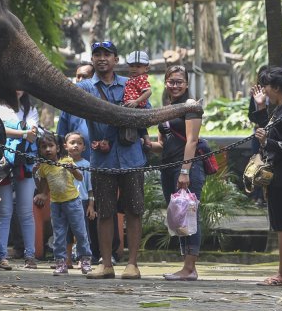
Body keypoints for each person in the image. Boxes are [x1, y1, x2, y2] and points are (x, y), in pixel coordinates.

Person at [80, 41, 146, 280]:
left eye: (107, 54)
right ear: (92, 60)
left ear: (116, 60)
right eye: (97, 54)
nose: (101, 58)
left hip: (131, 158)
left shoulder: (131, 85)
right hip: (102, 159)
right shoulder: (85, 88)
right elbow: (76, 111)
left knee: (134, 210)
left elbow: (145, 115)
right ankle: (106, 264)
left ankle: (132, 264)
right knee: (104, 211)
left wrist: (132, 109)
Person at [150, 65, 205, 281]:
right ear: (165, 82)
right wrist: (146, 144)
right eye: (171, 81)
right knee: (178, 216)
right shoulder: (167, 108)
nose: (175, 85)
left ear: (187, 84)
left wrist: (185, 171)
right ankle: (186, 267)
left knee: (189, 215)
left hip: (187, 168)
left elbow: (192, 140)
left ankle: (190, 268)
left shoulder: (191, 107)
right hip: (168, 167)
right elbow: (163, 145)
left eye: (179, 82)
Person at [250, 67, 282, 287]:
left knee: (281, 223)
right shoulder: (280, 108)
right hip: (277, 170)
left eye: (266, 86)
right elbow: (267, 131)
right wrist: (260, 106)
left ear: (277, 88)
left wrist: (267, 143)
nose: (264, 90)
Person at [0, 90, 40, 268]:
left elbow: (34, 134)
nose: (17, 88)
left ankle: (30, 256)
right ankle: (1, 255)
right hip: (1, 163)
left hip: (24, 164)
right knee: (3, 211)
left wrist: (18, 131)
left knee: (26, 211)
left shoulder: (30, 109)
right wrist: (23, 132)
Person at [34, 132, 89, 276]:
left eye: (50, 146)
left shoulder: (67, 160)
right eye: (43, 147)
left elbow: (80, 177)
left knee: (80, 232)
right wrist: (36, 175)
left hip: (73, 202)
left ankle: (85, 260)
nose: (47, 149)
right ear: (40, 150)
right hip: (56, 204)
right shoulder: (44, 167)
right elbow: (43, 187)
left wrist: (73, 170)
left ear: (57, 148)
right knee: (59, 234)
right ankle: (60, 262)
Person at [64, 131, 94, 272]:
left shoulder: (86, 165)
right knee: (66, 232)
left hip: (81, 201)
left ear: (84, 147)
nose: (76, 146)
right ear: (65, 146)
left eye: (79, 143)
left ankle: (83, 259)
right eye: (72, 142)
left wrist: (91, 206)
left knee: (82, 233)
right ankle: (67, 259)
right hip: (65, 201)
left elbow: (90, 188)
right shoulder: (61, 163)